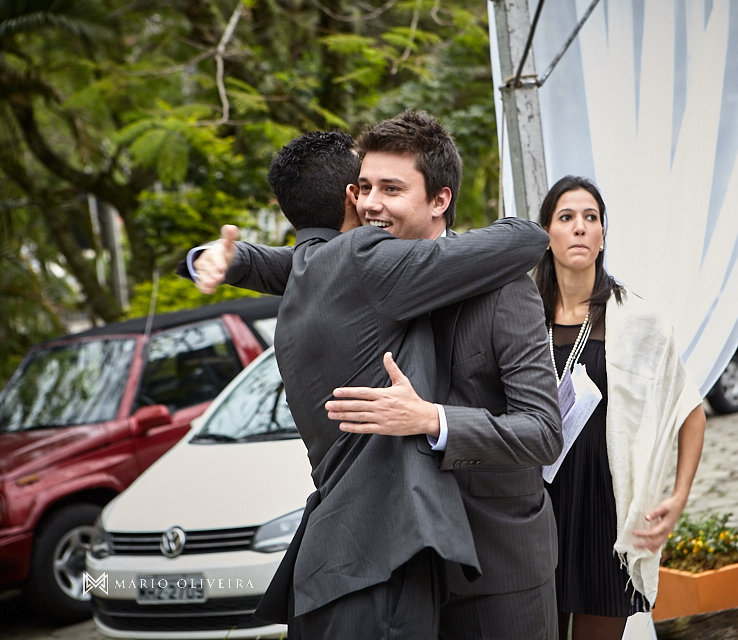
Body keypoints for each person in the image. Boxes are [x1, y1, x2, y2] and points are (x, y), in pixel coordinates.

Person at [188, 113, 563, 640]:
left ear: (439, 200)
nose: (369, 204)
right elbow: (297, 260)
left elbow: (544, 432)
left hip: (496, 564)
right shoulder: (357, 264)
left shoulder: (503, 289)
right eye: (363, 187)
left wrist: (433, 420)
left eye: (390, 188)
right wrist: (216, 258)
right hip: (401, 568)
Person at [534, 176, 706, 640]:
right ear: (545, 232)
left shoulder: (635, 319)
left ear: (603, 235)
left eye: (591, 218)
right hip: (533, 510)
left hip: (604, 510)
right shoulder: (521, 316)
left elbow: (689, 409)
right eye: (566, 217)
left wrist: (678, 496)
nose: (580, 228)